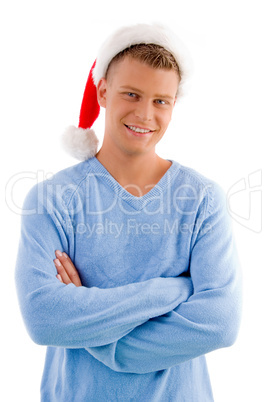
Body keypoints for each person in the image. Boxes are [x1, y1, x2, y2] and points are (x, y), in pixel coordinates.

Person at [15, 23, 242, 401]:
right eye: (131, 94)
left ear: (173, 104)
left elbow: (219, 323)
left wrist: (99, 336)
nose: (145, 114)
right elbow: (44, 318)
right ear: (103, 91)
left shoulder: (202, 200)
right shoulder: (51, 199)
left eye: (160, 101)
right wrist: (172, 290)